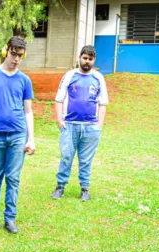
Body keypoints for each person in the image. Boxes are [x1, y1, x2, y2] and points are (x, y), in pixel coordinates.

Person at [0, 36, 36, 235]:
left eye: (20, 56)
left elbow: (28, 111)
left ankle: (10, 218)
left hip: (18, 135)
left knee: (13, 178)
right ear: (5, 51)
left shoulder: (25, 80)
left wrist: (31, 138)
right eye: (13, 54)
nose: (16, 59)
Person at [50, 45, 109, 201]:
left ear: (94, 60)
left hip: (91, 127)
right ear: (79, 57)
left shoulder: (98, 78)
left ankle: (85, 189)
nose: (87, 62)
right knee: (66, 156)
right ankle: (60, 186)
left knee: (86, 159)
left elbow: (103, 103)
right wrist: (59, 120)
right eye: (84, 58)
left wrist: (99, 126)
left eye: (90, 59)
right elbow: (59, 99)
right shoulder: (69, 75)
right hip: (69, 125)